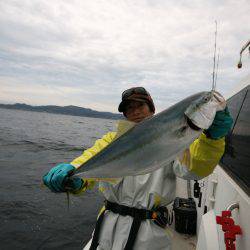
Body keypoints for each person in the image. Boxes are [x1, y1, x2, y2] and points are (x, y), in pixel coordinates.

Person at [43, 87, 233, 250]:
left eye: (140, 105)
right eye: (129, 108)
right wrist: (74, 174)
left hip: (149, 233)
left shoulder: (175, 136)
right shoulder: (112, 140)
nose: (135, 112)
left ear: (151, 108)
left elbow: (194, 170)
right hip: (107, 230)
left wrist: (212, 140)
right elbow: (91, 158)